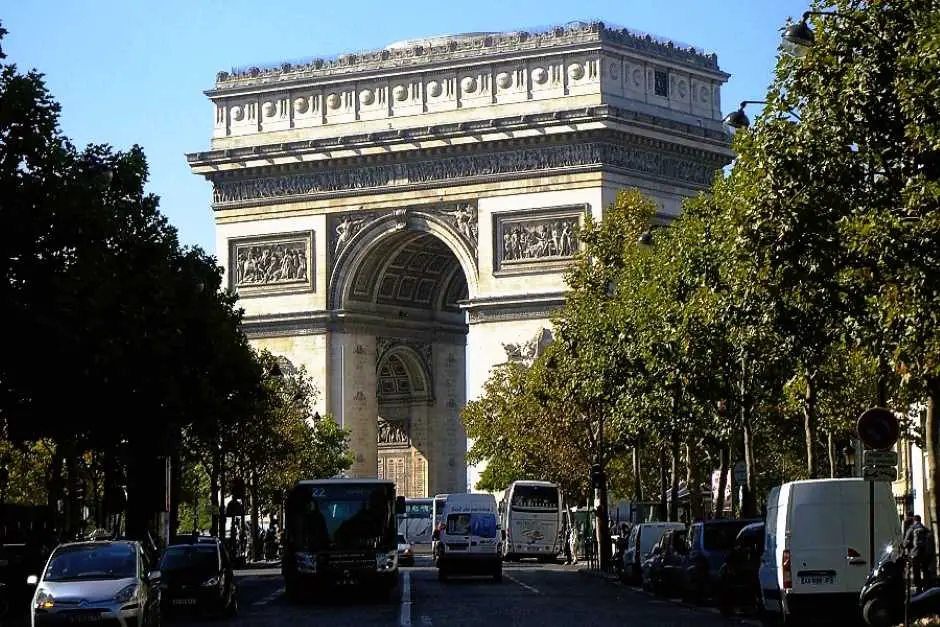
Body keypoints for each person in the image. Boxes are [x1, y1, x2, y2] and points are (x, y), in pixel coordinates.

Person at [904, 515, 935, 592]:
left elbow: (906, 542)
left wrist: (906, 548)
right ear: (920, 520)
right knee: (925, 569)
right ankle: (926, 586)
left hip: (915, 554)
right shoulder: (925, 529)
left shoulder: (911, 528)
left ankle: (918, 587)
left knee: (916, 571)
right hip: (925, 554)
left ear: (914, 520)